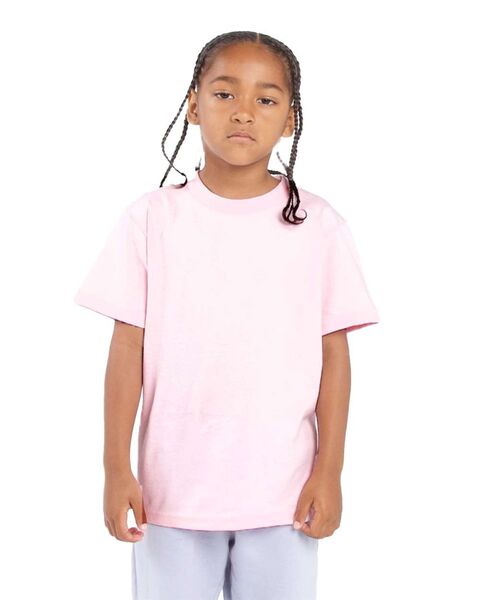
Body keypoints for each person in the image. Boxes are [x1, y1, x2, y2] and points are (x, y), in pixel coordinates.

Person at [73, 30, 380, 600]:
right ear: (193, 105)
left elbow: (334, 356)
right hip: (171, 494)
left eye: (266, 98)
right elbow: (126, 350)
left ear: (290, 119)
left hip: (284, 496)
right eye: (224, 94)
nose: (243, 112)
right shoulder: (152, 219)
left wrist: (329, 471)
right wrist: (116, 467)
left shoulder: (318, 226)